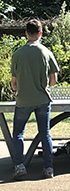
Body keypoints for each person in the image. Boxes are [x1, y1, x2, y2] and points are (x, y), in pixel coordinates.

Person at [11, 19, 59, 180]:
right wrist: (45, 86)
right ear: (40, 33)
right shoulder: (46, 52)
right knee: (44, 133)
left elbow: (14, 81)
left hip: (23, 99)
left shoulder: (17, 54)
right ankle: (48, 168)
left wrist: (15, 90)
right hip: (42, 99)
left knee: (18, 133)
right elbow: (53, 79)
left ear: (26, 33)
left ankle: (19, 166)